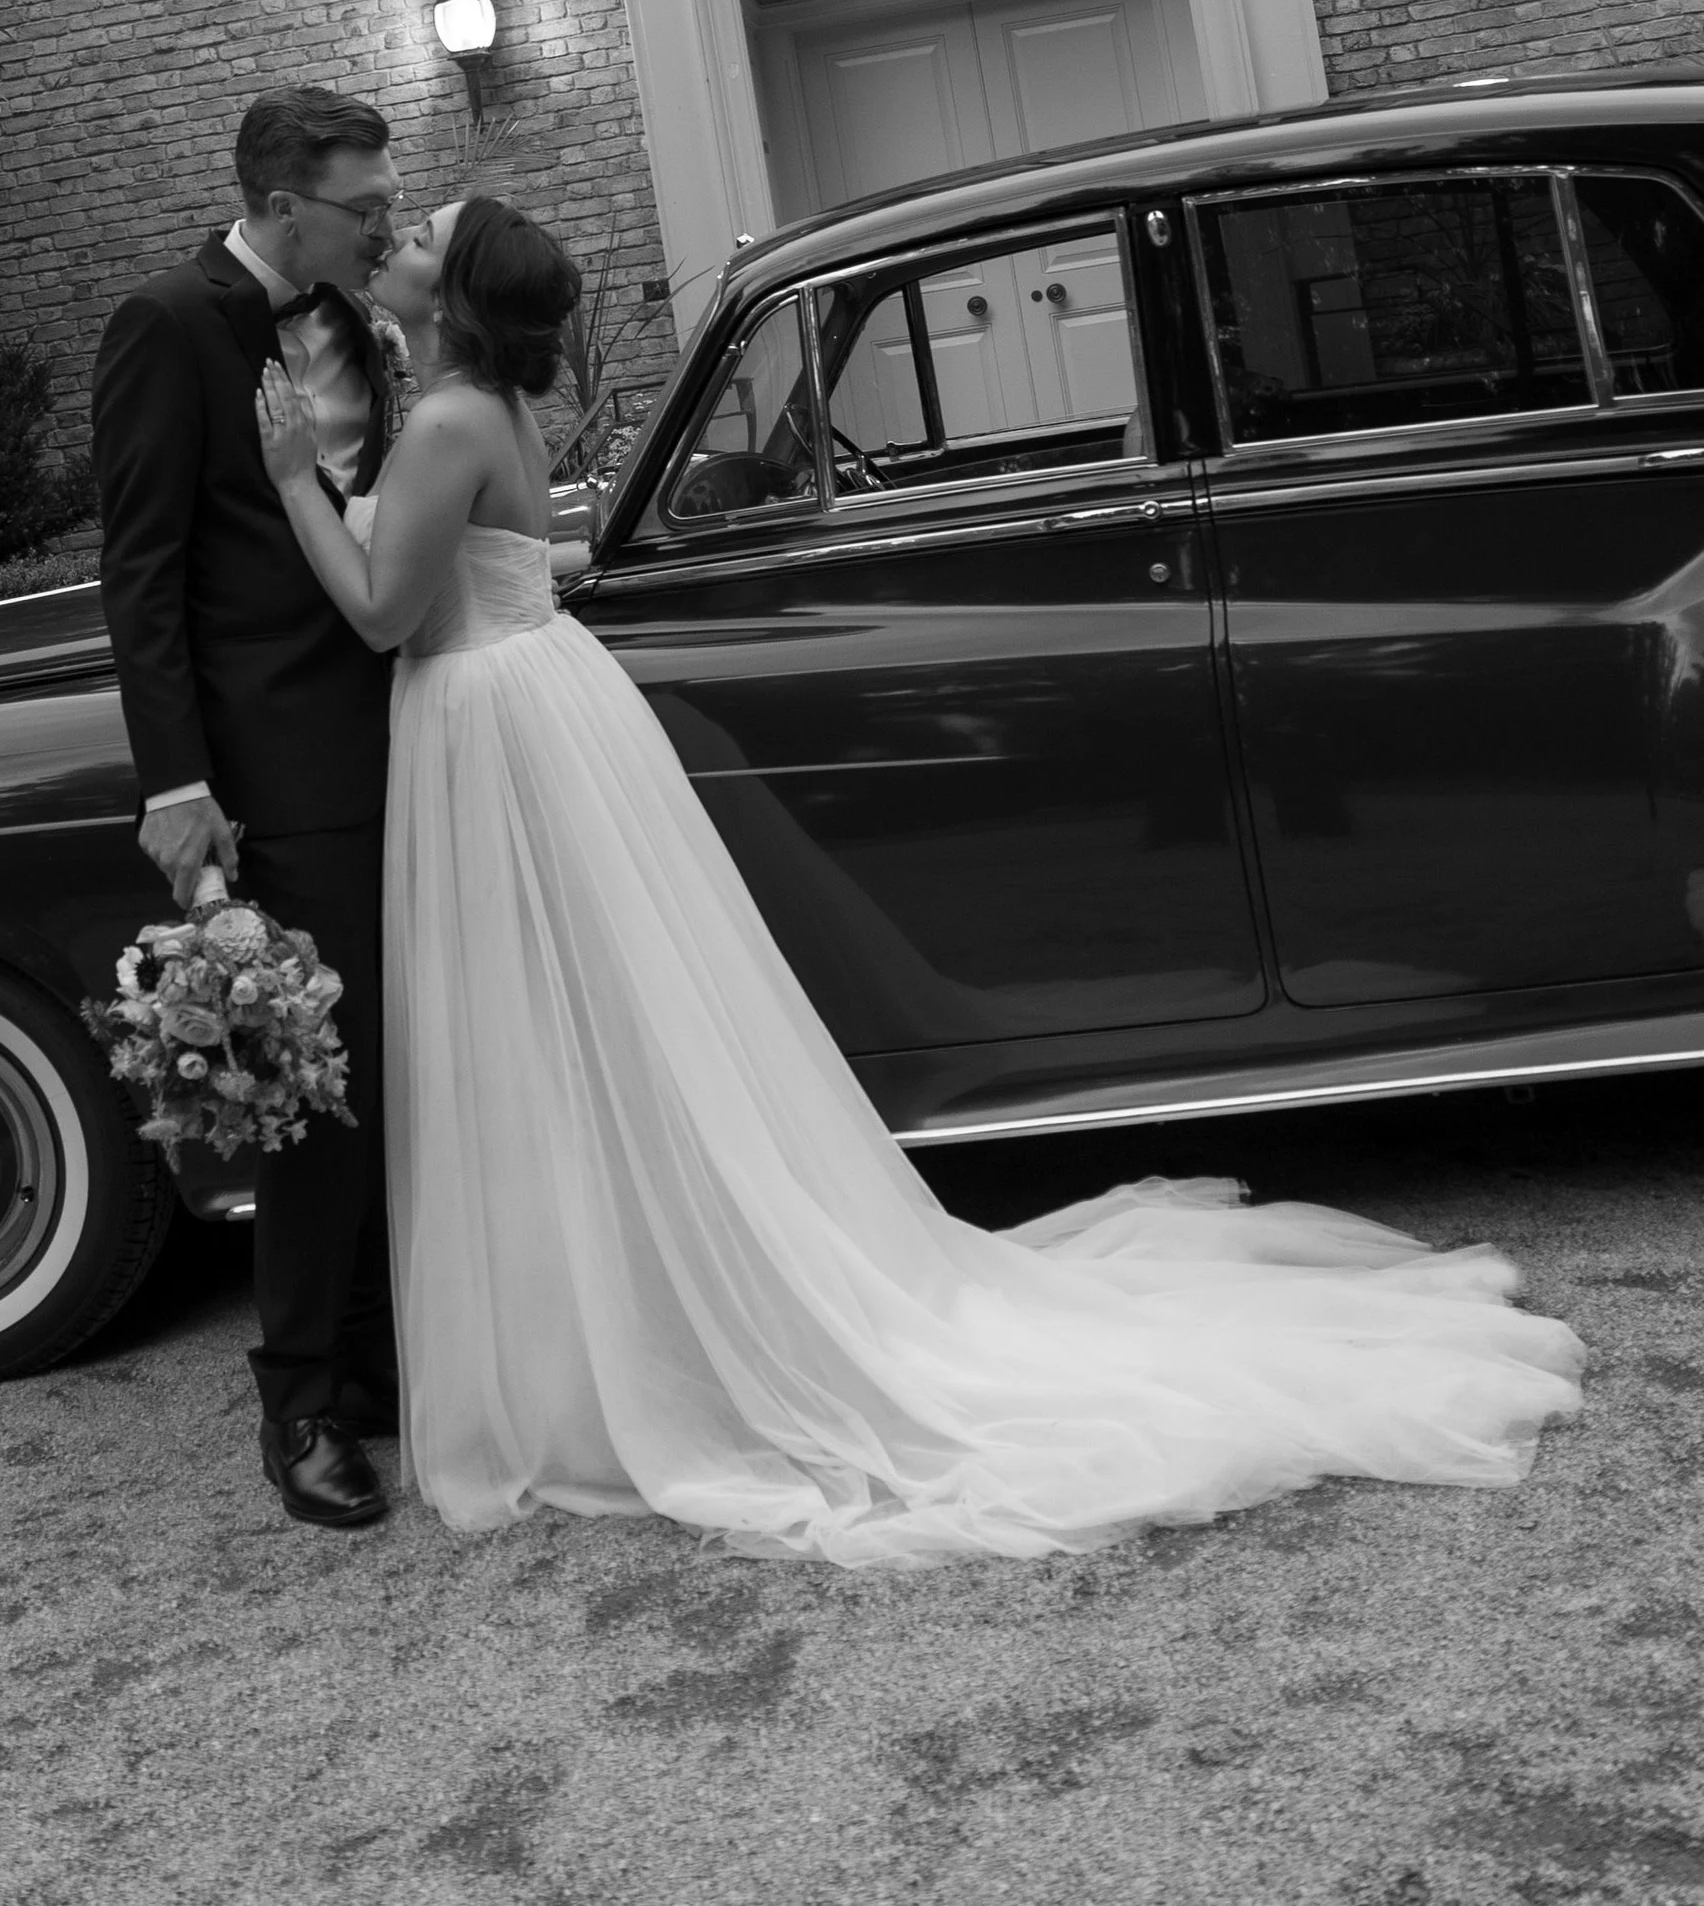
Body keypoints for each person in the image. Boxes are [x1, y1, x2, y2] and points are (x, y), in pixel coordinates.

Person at [254, 195, 1586, 1568]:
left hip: (486, 721)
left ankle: (594, 1343)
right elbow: (505, 565)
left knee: (543, 1033)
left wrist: (298, 478)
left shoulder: (447, 421)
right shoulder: (489, 414)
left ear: (455, 288)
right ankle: (615, 1315)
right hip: (539, 706)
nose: (396, 235)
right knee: (605, 1028)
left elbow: (379, 613)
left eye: (422, 231)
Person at [92, 85, 404, 1532]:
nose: (384, 215)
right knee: (316, 1084)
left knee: (396, 1065)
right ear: (284, 206)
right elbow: (144, 571)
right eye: (360, 199)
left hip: (407, 727)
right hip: (283, 759)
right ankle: (303, 1408)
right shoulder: (171, 324)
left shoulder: (362, 324)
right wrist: (178, 780)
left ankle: (379, 1355)